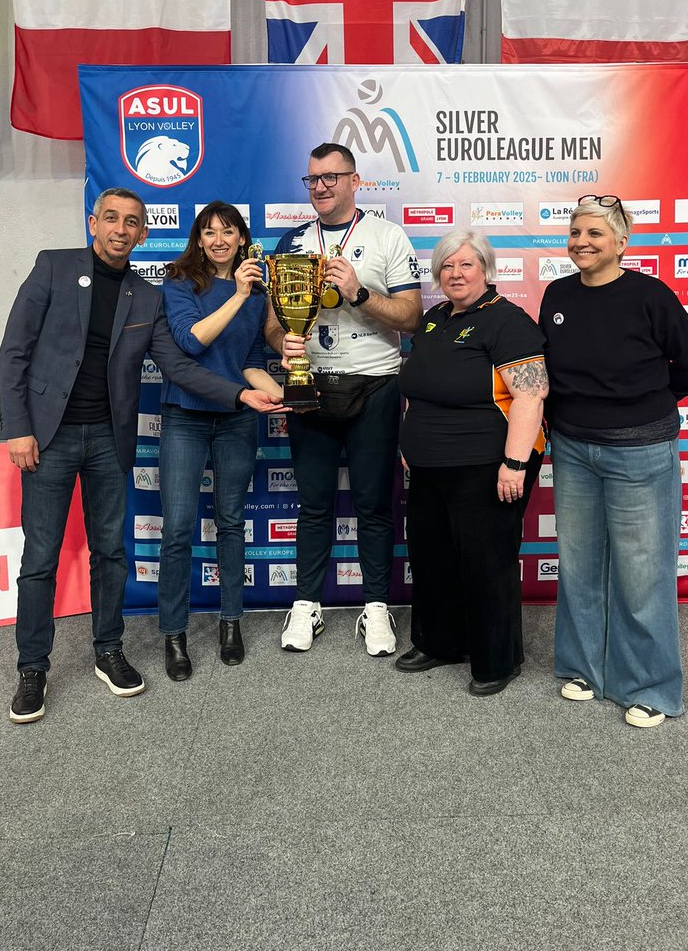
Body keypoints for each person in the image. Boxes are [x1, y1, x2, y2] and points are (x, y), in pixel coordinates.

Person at [0, 187, 285, 725]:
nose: (120, 229)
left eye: (132, 222)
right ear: (94, 223)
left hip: (110, 439)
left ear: (143, 233)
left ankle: (108, 651)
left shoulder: (145, 295)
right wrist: (18, 428)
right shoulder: (54, 267)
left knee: (111, 552)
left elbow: (179, 366)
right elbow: (14, 350)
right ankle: (32, 669)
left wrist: (241, 395)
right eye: (111, 218)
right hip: (49, 437)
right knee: (40, 559)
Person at [539, 195, 688, 728]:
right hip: (573, 449)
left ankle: (650, 687)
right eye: (575, 233)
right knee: (580, 564)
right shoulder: (557, 295)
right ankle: (585, 668)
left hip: (640, 451)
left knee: (642, 573)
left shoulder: (650, 295)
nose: (582, 242)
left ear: (621, 242)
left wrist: (642, 406)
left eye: (594, 233)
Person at [265, 142, 423, 655]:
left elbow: (411, 317)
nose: (321, 187)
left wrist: (358, 292)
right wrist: (282, 342)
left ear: (356, 181)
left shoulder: (386, 236)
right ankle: (306, 604)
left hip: (375, 383)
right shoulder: (292, 242)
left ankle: (375, 606)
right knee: (313, 503)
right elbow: (272, 325)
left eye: (331, 177)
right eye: (313, 179)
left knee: (374, 503)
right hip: (310, 386)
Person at [396, 231, 548, 695]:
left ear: (486, 269)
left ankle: (498, 660)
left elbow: (531, 395)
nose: (455, 273)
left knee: (486, 564)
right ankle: (440, 642)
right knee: (432, 558)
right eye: (447, 266)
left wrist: (514, 464)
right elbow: (417, 387)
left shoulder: (508, 321)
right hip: (428, 464)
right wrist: (408, 443)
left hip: (486, 464)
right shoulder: (433, 319)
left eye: (466, 264)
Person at [158, 201, 283, 679]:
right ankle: (174, 634)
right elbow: (192, 341)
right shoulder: (179, 282)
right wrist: (238, 293)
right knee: (178, 529)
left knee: (231, 522)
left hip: (236, 419)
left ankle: (231, 623)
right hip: (185, 417)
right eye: (209, 232)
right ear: (198, 239)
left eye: (228, 232)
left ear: (242, 238)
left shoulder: (257, 293)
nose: (218, 240)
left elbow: (249, 361)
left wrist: (289, 395)